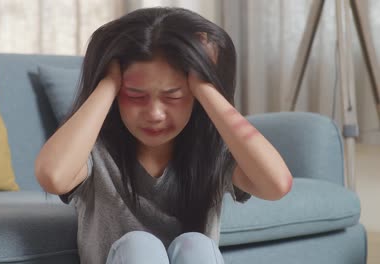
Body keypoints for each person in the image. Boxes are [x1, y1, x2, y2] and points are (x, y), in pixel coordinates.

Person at [35, 6, 293, 264]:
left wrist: (206, 88)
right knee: (139, 246)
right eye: (135, 95)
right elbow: (53, 176)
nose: (155, 113)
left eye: (174, 96)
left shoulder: (211, 153)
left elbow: (276, 185)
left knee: (196, 245)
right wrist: (108, 83)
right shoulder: (94, 152)